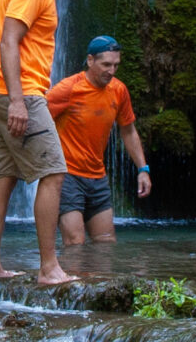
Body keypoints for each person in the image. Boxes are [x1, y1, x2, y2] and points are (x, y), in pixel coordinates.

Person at [0, 0, 100, 284]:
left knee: (4, 175)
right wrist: (18, 101)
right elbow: (9, 42)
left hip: (0, 90)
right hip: (21, 93)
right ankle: (49, 268)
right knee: (54, 172)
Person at [45, 35, 149, 244]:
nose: (111, 71)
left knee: (106, 241)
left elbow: (128, 131)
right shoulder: (68, 88)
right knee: (75, 241)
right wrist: (0, 150)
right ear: (90, 60)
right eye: (106, 65)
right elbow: (34, 119)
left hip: (97, 177)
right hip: (67, 175)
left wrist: (143, 169)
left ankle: (96, 271)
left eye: (116, 65)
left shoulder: (118, 90)